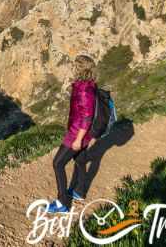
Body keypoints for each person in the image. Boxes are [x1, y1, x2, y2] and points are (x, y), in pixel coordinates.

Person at [47, 55, 97, 213]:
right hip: (82, 132)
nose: (71, 67)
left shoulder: (84, 91)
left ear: (79, 69)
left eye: (74, 65)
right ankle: (80, 191)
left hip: (77, 133)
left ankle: (62, 203)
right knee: (80, 160)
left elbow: (87, 117)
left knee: (58, 163)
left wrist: (78, 139)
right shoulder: (87, 85)